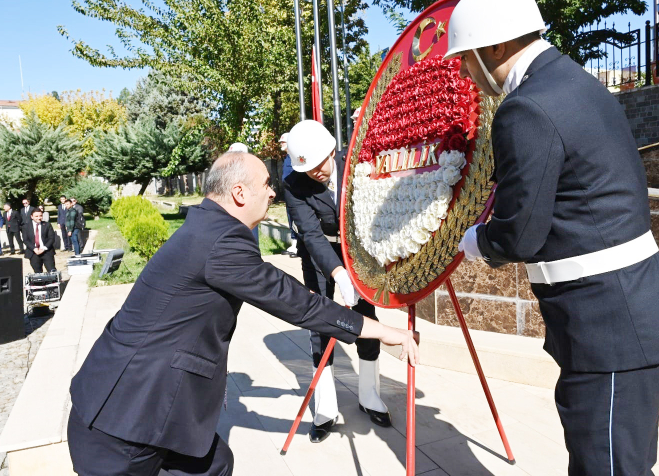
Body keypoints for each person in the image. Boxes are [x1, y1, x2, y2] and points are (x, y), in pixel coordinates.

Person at [448, 0, 659, 476]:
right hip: (625, 314)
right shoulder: (575, 82)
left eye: (466, 57)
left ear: (497, 47)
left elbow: (520, 234)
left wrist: (474, 241)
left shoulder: (525, 108)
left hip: (610, 328)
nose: (466, 71)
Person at [66, 151, 419, 476]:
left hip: (134, 406)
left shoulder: (209, 226)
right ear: (238, 193)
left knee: (216, 464)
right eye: (266, 184)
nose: (272, 193)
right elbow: (294, 302)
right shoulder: (221, 241)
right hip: (127, 423)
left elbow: (280, 289)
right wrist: (382, 330)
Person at [284, 120, 391, 443]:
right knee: (319, 322)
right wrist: (337, 273)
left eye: (319, 164)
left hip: (358, 250)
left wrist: (356, 266)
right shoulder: (293, 184)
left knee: (367, 317)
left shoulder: (356, 162)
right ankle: (325, 409)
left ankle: (370, 395)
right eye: (308, 168)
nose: (315, 173)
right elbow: (312, 235)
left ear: (331, 150)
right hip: (319, 255)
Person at [279, 132, 298, 257]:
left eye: (283, 142)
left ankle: (299, 246)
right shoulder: (287, 157)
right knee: (291, 219)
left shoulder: (295, 157)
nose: (281, 144)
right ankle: (294, 244)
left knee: (296, 220)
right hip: (289, 194)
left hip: (295, 194)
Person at [21, 208, 56, 273]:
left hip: (46, 251)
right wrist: (34, 249)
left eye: (40, 215)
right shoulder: (26, 226)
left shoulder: (47, 225)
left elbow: (51, 238)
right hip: (33, 252)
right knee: (38, 273)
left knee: (52, 271)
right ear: (32, 217)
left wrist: (44, 248)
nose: (39, 218)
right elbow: (25, 240)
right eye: (36, 216)